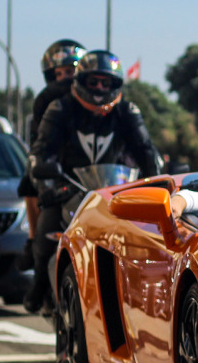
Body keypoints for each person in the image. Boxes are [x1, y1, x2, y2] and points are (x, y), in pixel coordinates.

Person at [25, 50, 161, 313]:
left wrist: (158, 182)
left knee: (152, 237)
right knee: (46, 230)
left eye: (105, 82)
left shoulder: (127, 112)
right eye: (93, 82)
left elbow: (147, 153)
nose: (99, 88)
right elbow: (42, 152)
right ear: (81, 82)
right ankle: (40, 283)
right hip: (69, 190)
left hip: (117, 193)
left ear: (115, 85)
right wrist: (47, 185)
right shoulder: (60, 108)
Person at [15, 39, 87, 271]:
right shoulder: (46, 100)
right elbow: (40, 144)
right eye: (60, 73)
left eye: (71, 71)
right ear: (51, 75)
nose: (66, 77)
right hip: (58, 167)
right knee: (30, 180)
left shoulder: (98, 99)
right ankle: (33, 241)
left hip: (90, 170)